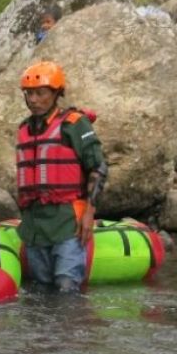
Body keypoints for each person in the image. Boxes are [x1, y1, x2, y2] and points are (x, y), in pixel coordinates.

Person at [17, 61, 107, 293]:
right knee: (41, 293)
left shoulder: (74, 124)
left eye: (41, 93)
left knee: (67, 288)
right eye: (29, 94)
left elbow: (98, 167)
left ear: (56, 93)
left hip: (68, 222)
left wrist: (89, 213)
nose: (34, 100)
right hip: (35, 226)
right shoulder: (24, 129)